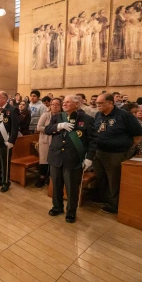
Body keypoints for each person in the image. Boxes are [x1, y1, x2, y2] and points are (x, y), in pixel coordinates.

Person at [45, 95, 96, 223]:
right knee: (56, 185)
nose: (64, 104)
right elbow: (47, 130)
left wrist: (89, 158)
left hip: (73, 159)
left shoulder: (87, 119)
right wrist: (59, 126)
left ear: (77, 104)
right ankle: (57, 207)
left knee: (72, 188)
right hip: (56, 157)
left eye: (68, 102)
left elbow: (93, 141)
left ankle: (71, 212)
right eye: (64, 102)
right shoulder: (57, 117)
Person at [92, 93, 142, 214]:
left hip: (115, 153)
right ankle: (103, 198)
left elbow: (138, 134)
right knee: (101, 177)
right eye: (97, 103)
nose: (97, 105)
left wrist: (128, 149)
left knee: (114, 180)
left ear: (110, 103)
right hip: (98, 152)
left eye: (100, 103)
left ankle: (114, 205)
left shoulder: (125, 116)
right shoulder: (98, 115)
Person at [35, 98, 62, 187]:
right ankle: (42, 177)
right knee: (43, 160)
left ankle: (50, 178)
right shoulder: (46, 115)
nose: (55, 106)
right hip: (45, 140)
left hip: (57, 141)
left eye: (57, 104)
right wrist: (51, 130)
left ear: (60, 106)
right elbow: (39, 127)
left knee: (54, 161)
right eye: (53, 104)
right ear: (50, 106)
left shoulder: (62, 116)